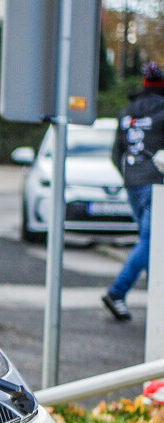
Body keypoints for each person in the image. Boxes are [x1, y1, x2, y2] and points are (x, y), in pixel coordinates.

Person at [103, 61, 164, 322]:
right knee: (151, 241)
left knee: (150, 242)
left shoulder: (127, 111)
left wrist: (128, 175)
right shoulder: (162, 110)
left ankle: (156, 300)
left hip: (134, 184)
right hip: (156, 183)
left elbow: (116, 153)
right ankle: (117, 292)